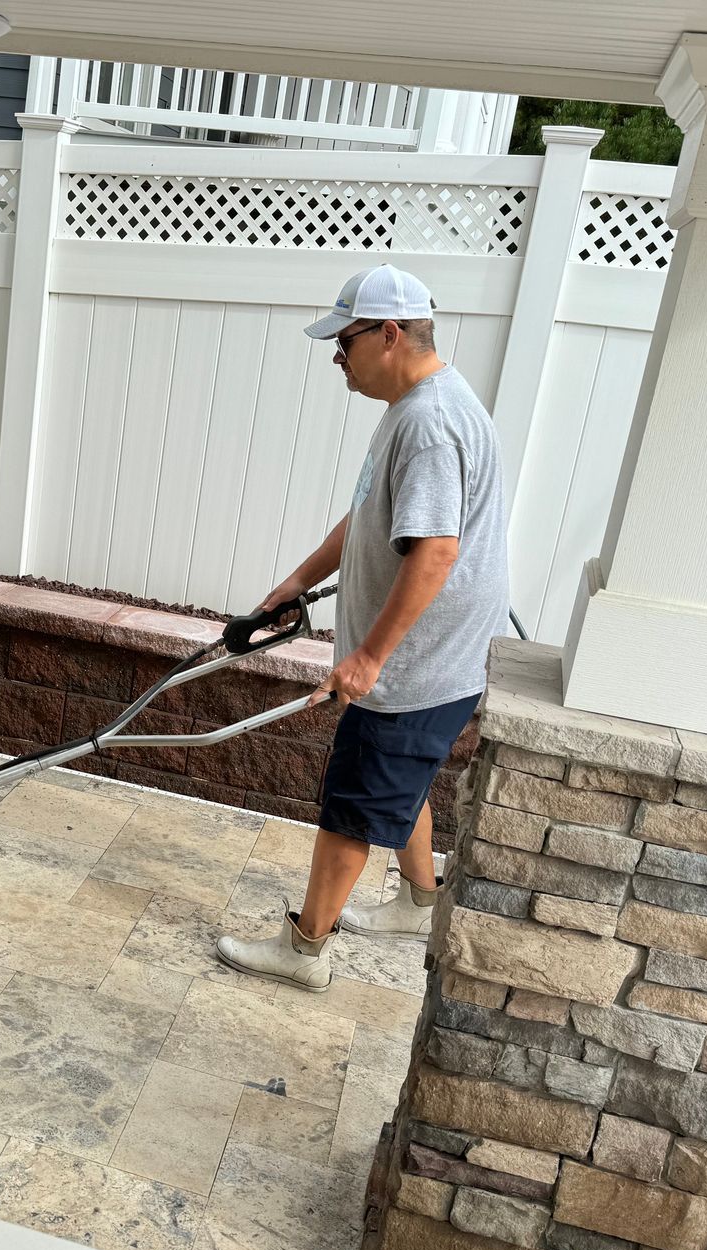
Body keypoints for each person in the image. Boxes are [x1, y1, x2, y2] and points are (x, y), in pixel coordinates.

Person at [216, 264, 508, 991]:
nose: (336, 358)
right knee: (398, 780)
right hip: (434, 659)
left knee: (355, 801)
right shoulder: (418, 403)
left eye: (343, 342)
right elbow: (373, 512)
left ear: (388, 334)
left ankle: (304, 951)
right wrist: (296, 584)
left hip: (418, 662)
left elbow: (437, 551)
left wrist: (371, 657)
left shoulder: (431, 423)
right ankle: (417, 901)